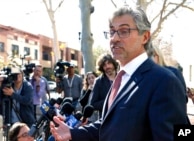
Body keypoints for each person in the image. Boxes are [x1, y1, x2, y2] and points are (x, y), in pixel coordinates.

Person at [50, 6, 189, 141]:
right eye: (112, 32)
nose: (114, 38)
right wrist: (72, 133)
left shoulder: (164, 81)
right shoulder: (122, 78)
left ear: (145, 37)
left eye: (123, 31)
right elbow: (109, 126)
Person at [90, 53, 119, 118]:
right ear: (102, 68)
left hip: (121, 117)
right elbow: (93, 104)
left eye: (109, 63)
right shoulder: (98, 81)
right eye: (104, 65)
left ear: (113, 63)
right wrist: (110, 100)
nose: (107, 67)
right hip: (106, 119)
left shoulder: (122, 77)